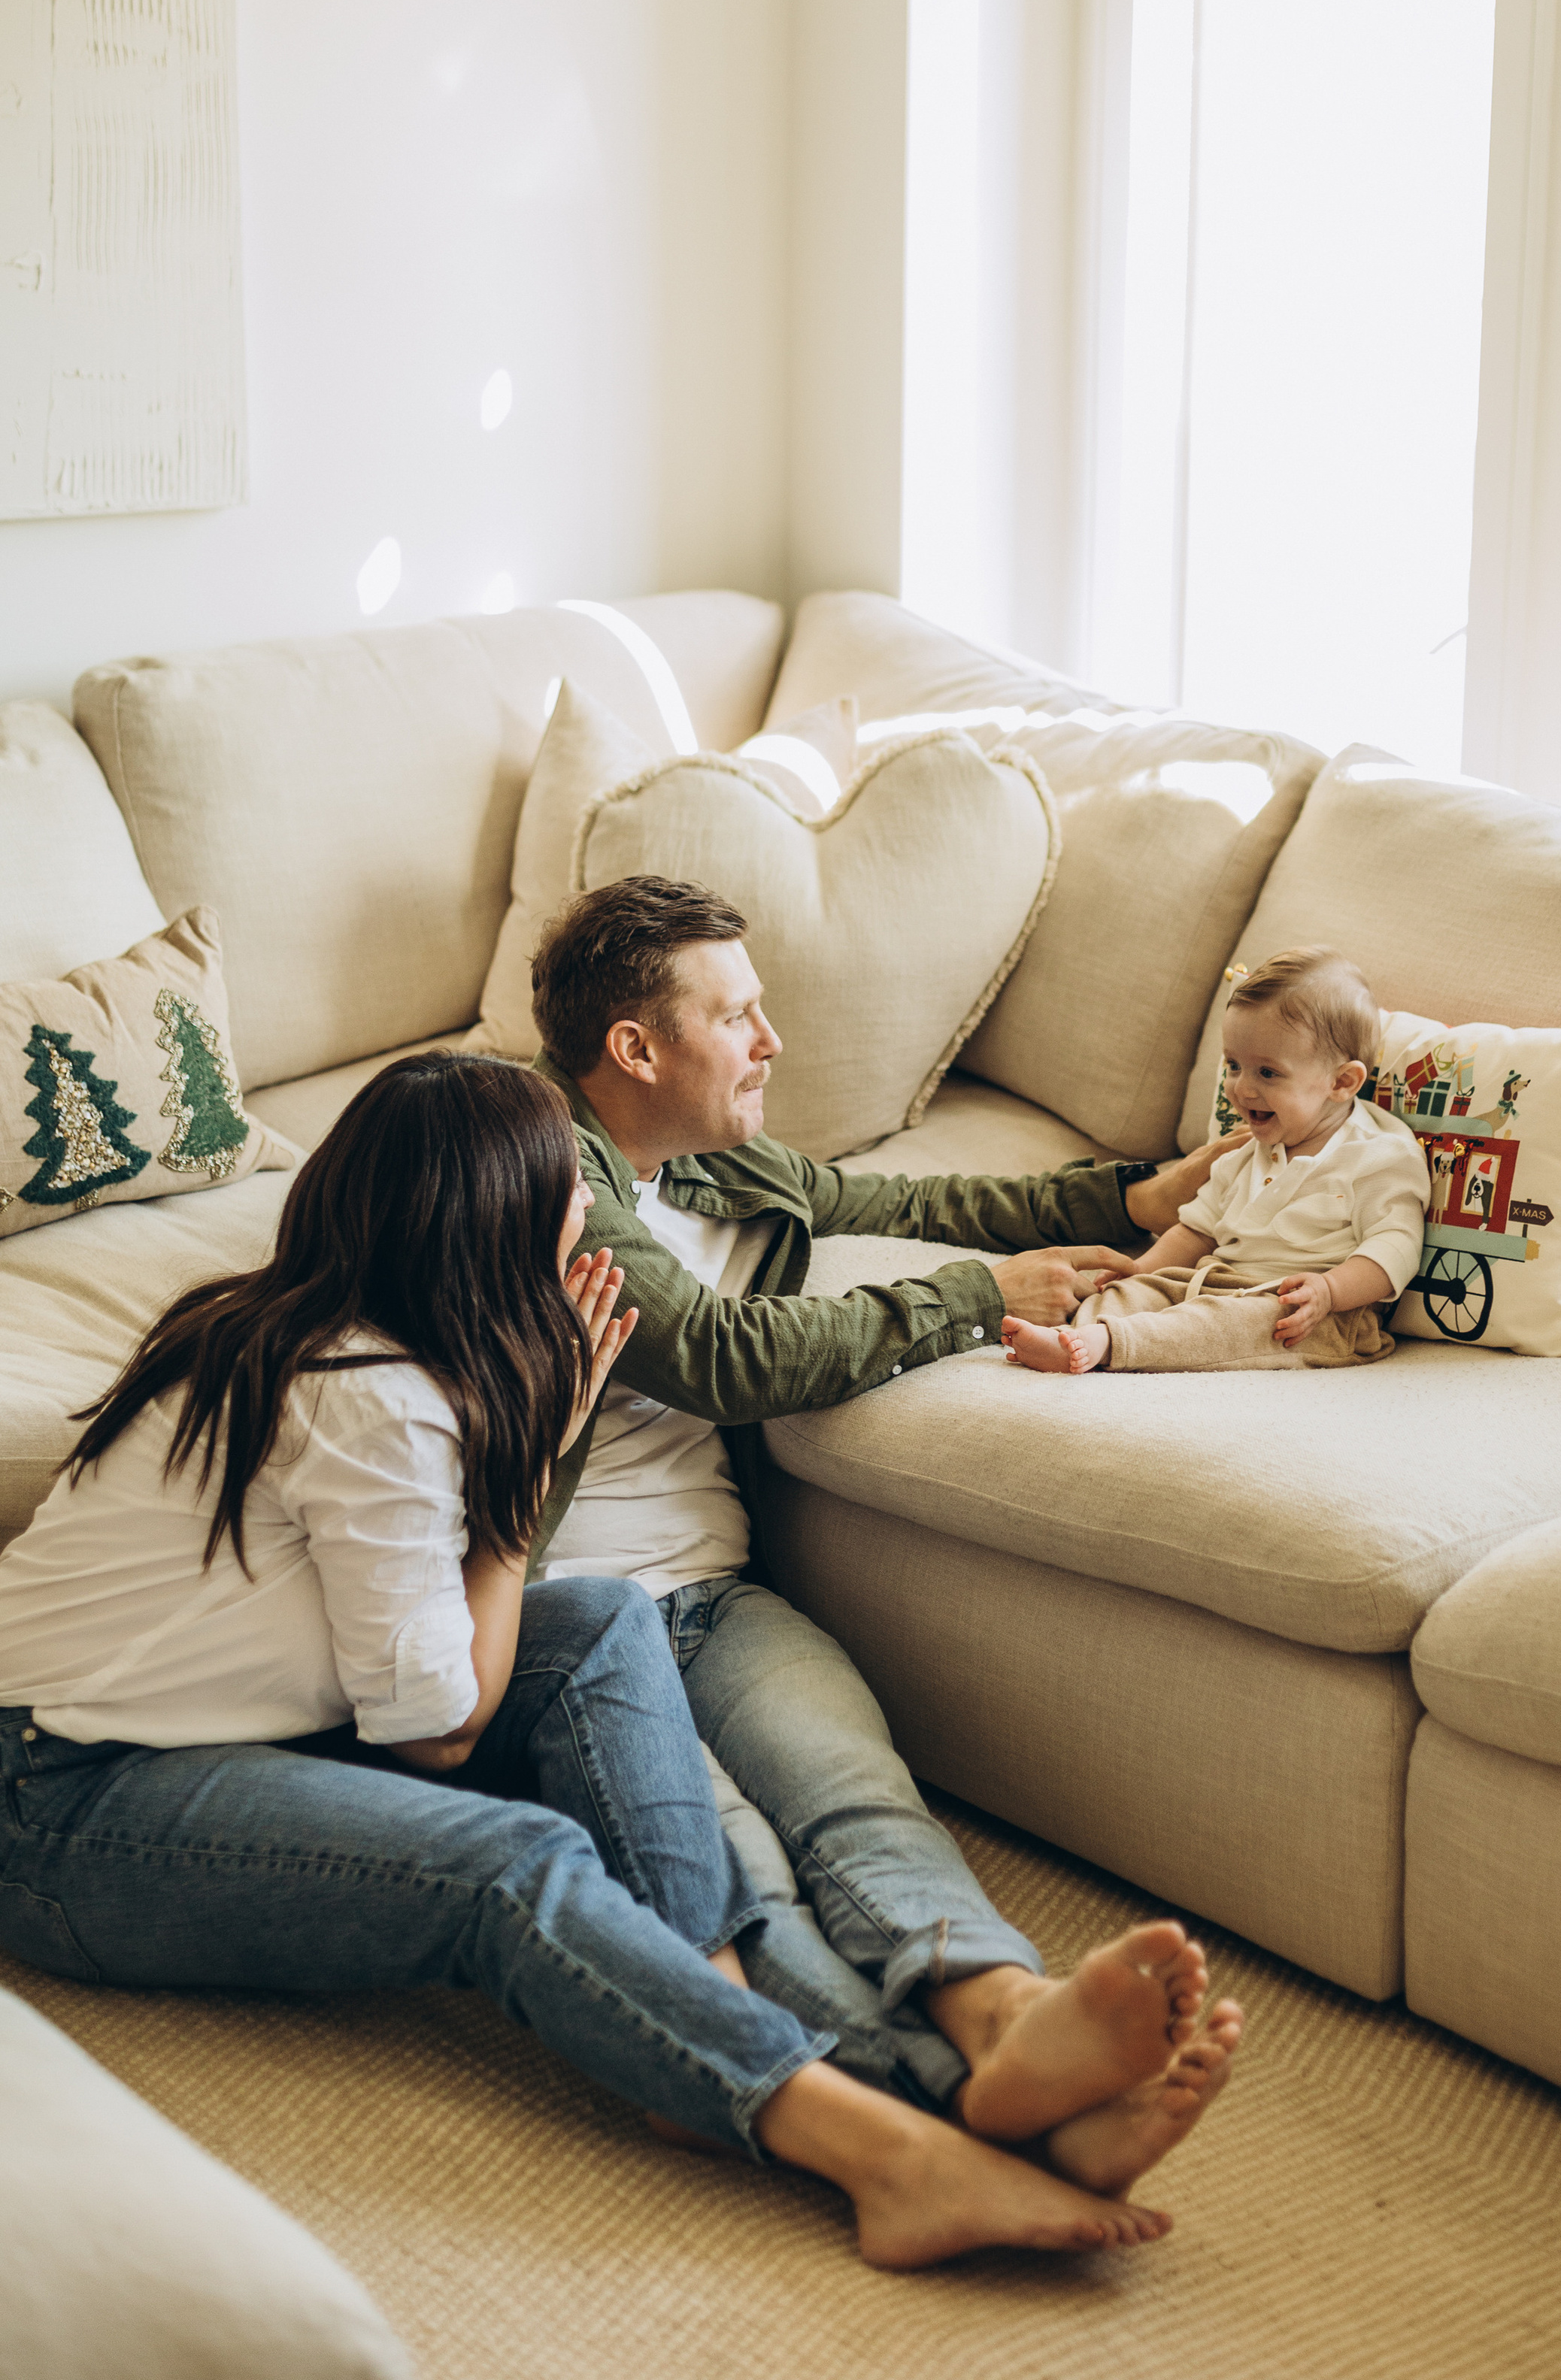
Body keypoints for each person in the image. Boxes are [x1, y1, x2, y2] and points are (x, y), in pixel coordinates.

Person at [0, 1055, 1221, 2266]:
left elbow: (436, 1668)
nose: (587, 1210)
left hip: (228, 1732)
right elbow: (439, 1728)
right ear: (497, 1225)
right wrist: (529, 1482)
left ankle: (734, 2049)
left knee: (599, 1623)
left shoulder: (336, 1336)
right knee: (514, 1866)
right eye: (563, 1191)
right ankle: (901, 2143)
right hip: (60, 1798)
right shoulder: (371, 1396)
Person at [522, 880, 1244, 2167]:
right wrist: (974, 1302)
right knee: (737, 1870)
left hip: (713, 1594)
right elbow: (715, 1356)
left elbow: (897, 1205)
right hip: (568, 1620)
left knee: (858, 1797)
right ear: (636, 1049)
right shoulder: (542, 1171)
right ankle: (955, 2103)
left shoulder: (706, 1161)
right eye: (737, 1014)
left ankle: (1010, 2014)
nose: (771, 1039)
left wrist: (1132, 1200)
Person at [1002, 948, 1428, 1375]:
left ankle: (1106, 1344)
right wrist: (1138, 1272)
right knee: (1139, 1293)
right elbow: (1197, 1231)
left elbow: (1395, 1247)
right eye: (1234, 1065)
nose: (1241, 1089)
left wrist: (1331, 1290)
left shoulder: (1379, 1155)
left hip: (1311, 1314)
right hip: (1213, 1282)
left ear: (1342, 1081)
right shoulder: (1247, 1150)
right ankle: (1080, 1331)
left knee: (1225, 1324)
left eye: (1267, 1073)